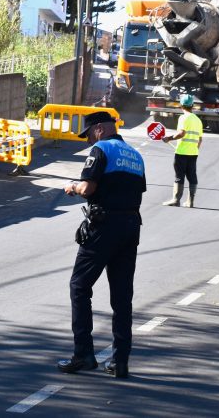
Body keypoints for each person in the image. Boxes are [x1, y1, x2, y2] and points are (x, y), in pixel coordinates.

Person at [57, 110, 146, 380]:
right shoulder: (135, 155)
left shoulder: (100, 149)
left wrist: (73, 187)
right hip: (131, 227)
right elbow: (136, 191)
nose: (87, 141)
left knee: (79, 286)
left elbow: (88, 188)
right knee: (122, 297)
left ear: (97, 129)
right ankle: (120, 362)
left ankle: (83, 354)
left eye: (88, 135)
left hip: (103, 227)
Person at [161, 93, 203, 208]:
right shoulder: (198, 120)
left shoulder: (183, 117)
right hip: (193, 153)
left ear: (181, 105)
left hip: (181, 152)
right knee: (192, 176)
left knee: (179, 176)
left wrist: (168, 138)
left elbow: (181, 133)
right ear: (192, 105)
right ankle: (190, 201)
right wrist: (195, 149)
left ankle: (176, 199)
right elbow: (200, 139)